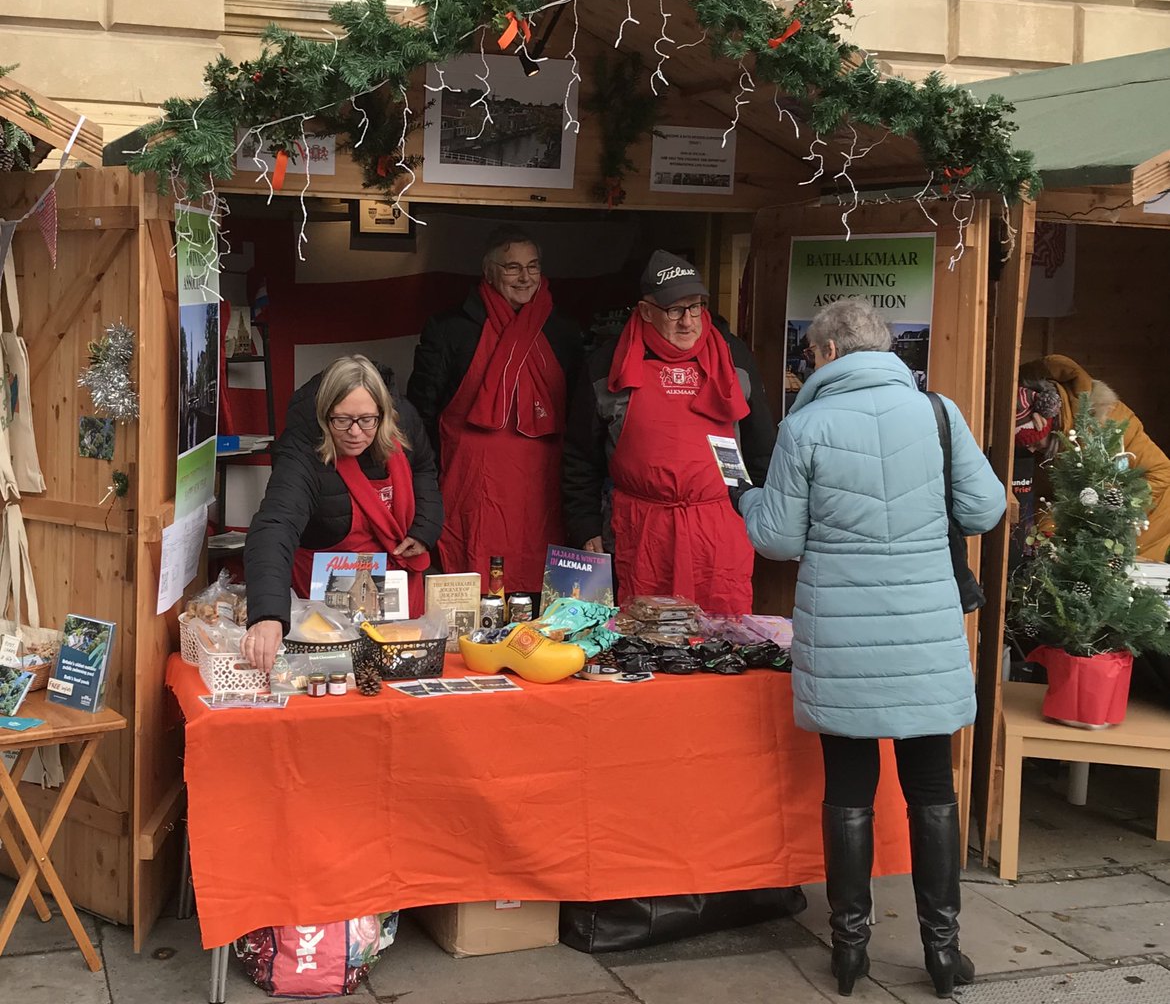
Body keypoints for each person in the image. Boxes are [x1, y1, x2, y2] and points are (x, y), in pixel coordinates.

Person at [737, 298, 1006, 998]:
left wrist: (746, 499)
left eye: (809, 354)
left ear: (827, 352)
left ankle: (849, 950)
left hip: (844, 631)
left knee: (849, 786)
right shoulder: (938, 413)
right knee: (932, 787)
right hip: (925, 630)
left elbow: (778, 540)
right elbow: (984, 509)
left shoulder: (806, 426)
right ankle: (942, 951)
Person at [562, 250, 773, 614]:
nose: (688, 321)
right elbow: (580, 456)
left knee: (723, 633)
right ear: (646, 311)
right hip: (641, 531)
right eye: (675, 310)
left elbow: (761, 447)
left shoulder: (734, 357)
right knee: (644, 633)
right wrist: (584, 525)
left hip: (720, 528)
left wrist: (762, 515)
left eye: (696, 307)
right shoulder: (608, 364)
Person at [407, 225, 582, 592]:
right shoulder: (450, 328)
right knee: (474, 580)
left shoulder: (563, 331)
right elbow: (420, 412)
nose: (525, 277)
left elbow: (579, 415)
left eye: (533, 266)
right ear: (488, 272)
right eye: (512, 267)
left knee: (538, 580)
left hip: (542, 485)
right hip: (471, 483)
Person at [242, 355, 443, 673]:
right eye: (342, 420)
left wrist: (424, 527)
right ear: (325, 414)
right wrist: (268, 614)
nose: (355, 432)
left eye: (367, 420)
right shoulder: (302, 448)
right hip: (323, 606)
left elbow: (423, 467)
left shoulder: (402, 417)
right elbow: (276, 525)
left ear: (383, 414)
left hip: (397, 588)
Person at [1019, 354, 1170, 562]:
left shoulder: (1112, 421)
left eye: (1033, 440)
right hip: (1096, 548)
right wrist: (1050, 535)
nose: (1029, 449)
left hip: (1149, 536)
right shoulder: (1048, 450)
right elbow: (1048, 498)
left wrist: (1112, 509)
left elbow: (1162, 473)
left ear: (1045, 420)